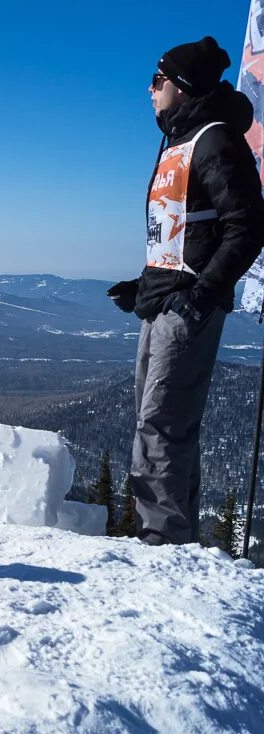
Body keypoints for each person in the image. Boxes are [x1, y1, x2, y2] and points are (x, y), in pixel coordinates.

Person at [108, 36, 264, 545]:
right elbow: (182, 231)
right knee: (158, 423)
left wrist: (199, 294)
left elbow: (247, 227)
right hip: (165, 298)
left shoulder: (215, 140)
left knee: (160, 424)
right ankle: (173, 539)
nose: (149, 90)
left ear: (182, 85)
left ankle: (162, 546)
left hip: (189, 304)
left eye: (157, 81)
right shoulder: (179, 139)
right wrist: (146, 284)